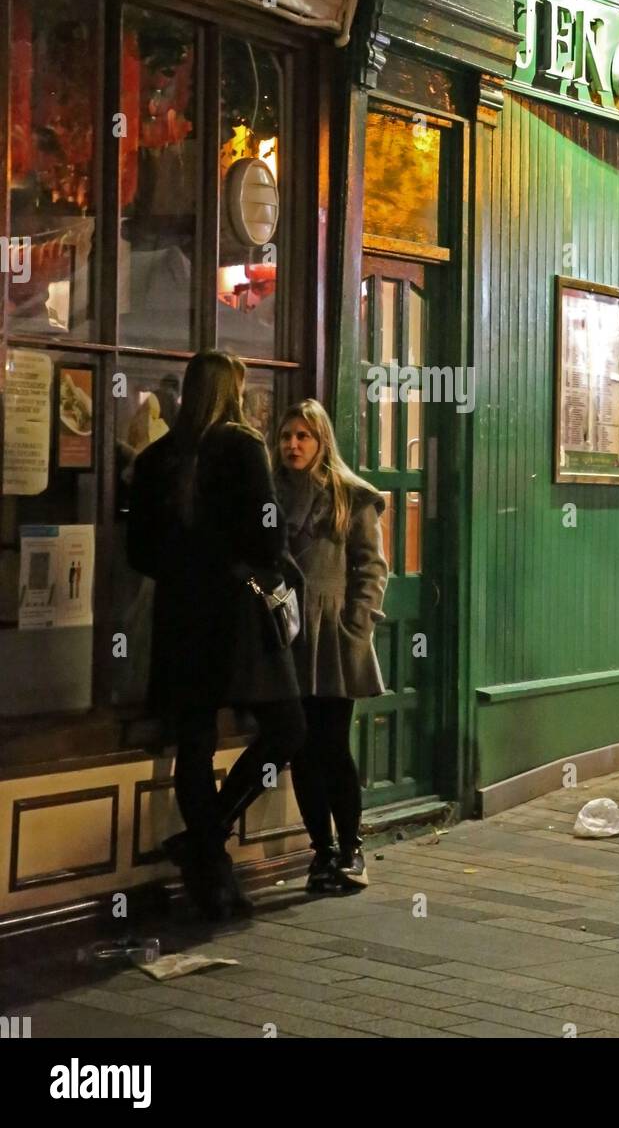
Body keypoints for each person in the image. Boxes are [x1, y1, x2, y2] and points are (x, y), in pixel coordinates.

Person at [128, 351, 305, 919]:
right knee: (287, 728)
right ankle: (208, 845)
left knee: (195, 741)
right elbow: (270, 535)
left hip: (182, 614)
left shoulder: (157, 458)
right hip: (238, 613)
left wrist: (185, 570)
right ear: (234, 390)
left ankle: (209, 872)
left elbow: (140, 550)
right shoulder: (244, 446)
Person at [274, 399, 388, 894]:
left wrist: (357, 624)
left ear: (321, 442)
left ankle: (351, 847)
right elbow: (259, 567)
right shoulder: (269, 497)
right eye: (286, 436)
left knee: (332, 745)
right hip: (287, 633)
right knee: (300, 747)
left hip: (332, 633)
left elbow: (372, 568)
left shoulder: (350, 497)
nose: (293, 445)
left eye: (303, 436)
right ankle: (319, 851)